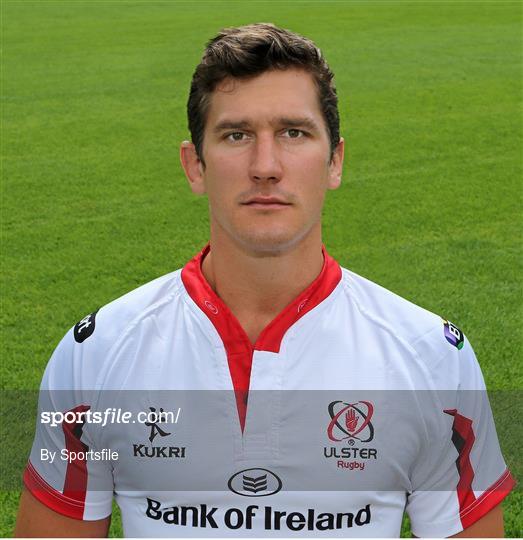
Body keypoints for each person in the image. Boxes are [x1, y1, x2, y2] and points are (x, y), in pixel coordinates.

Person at [15, 23, 514, 537]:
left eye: (294, 133)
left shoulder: (430, 357)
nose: (266, 166)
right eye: (237, 135)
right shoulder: (97, 354)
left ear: (335, 160)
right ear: (196, 166)